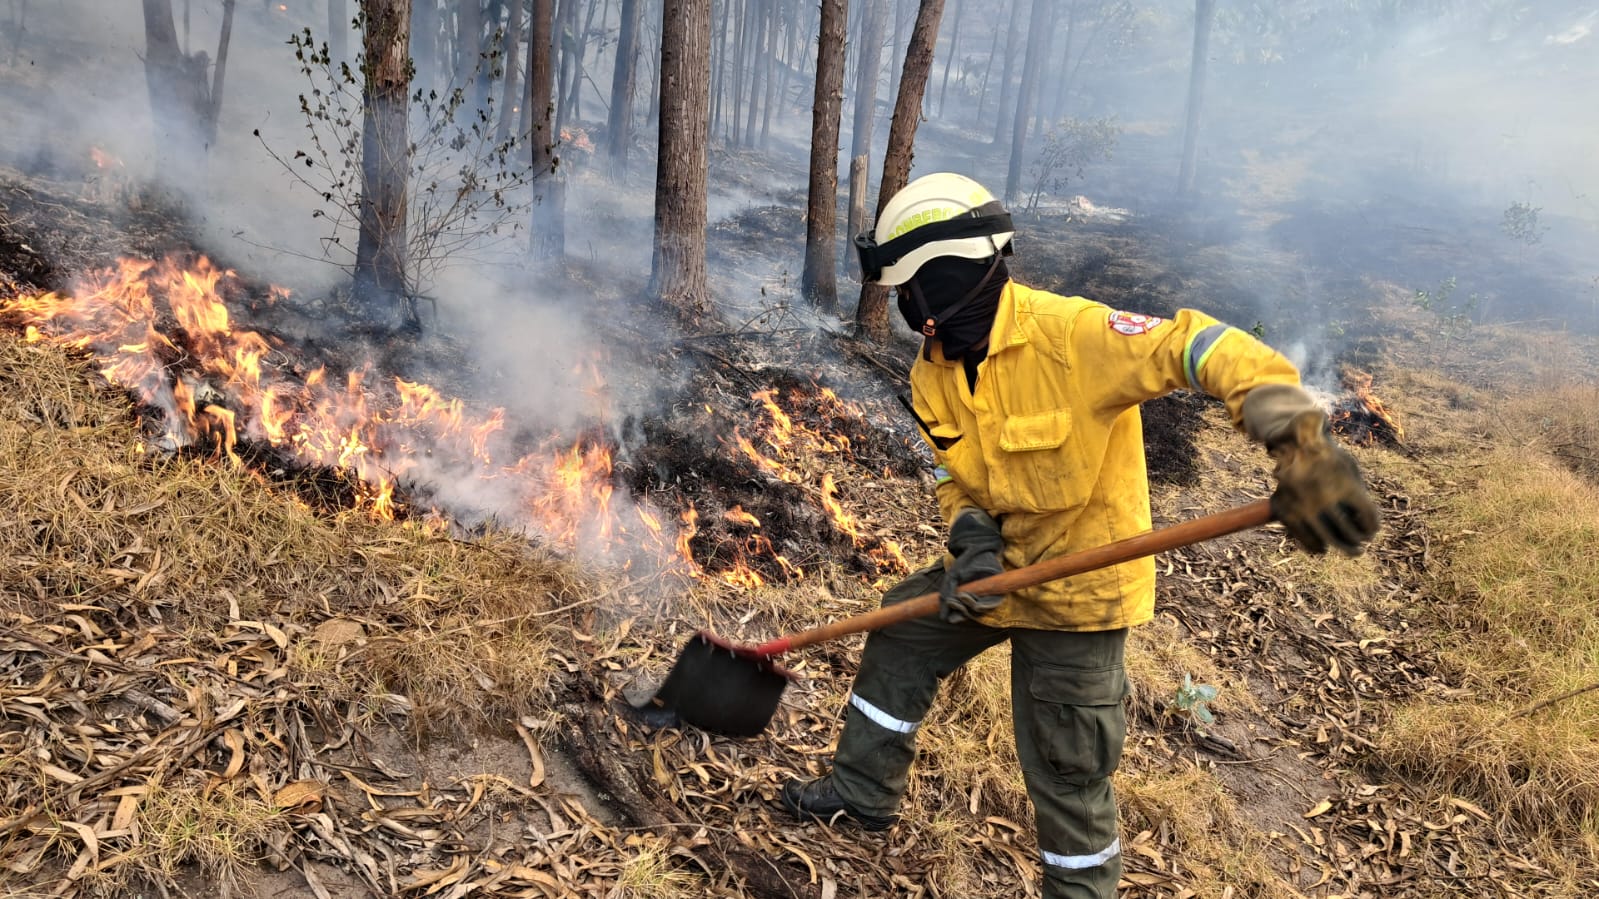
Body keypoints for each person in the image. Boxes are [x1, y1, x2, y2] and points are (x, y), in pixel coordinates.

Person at [781, 172, 1381, 898]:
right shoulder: (934, 371)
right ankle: (861, 793)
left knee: (1067, 767)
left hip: (1082, 594)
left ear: (941, 284)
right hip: (996, 570)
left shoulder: (1073, 335)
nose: (904, 311)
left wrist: (1299, 441)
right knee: (901, 637)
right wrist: (969, 536)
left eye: (906, 292)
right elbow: (954, 474)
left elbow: (1201, 348)